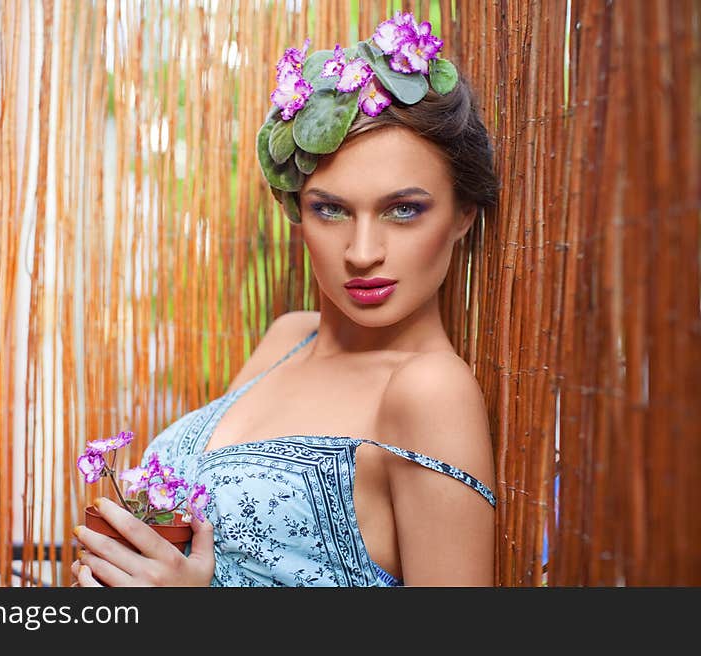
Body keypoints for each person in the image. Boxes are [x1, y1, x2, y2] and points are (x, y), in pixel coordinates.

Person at [72, 10, 499, 587]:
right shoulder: (288, 335)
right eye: (331, 209)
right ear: (297, 212)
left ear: (462, 216)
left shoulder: (428, 391)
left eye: (404, 209)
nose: (362, 252)